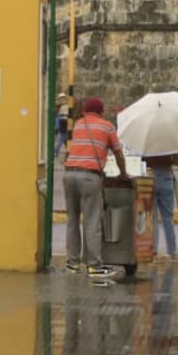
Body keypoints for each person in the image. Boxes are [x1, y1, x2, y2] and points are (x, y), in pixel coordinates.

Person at [63, 95, 128, 284]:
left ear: (85, 110)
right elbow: (118, 153)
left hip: (69, 175)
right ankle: (94, 266)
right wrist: (123, 173)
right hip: (89, 177)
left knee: (72, 220)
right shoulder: (107, 126)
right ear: (101, 111)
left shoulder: (78, 125)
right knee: (92, 221)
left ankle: (73, 264)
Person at [145, 151, 178, 257]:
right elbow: (177, 162)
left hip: (150, 177)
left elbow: (141, 160)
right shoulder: (170, 144)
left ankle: (153, 250)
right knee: (168, 217)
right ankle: (172, 251)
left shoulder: (146, 143)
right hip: (166, 178)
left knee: (153, 217)